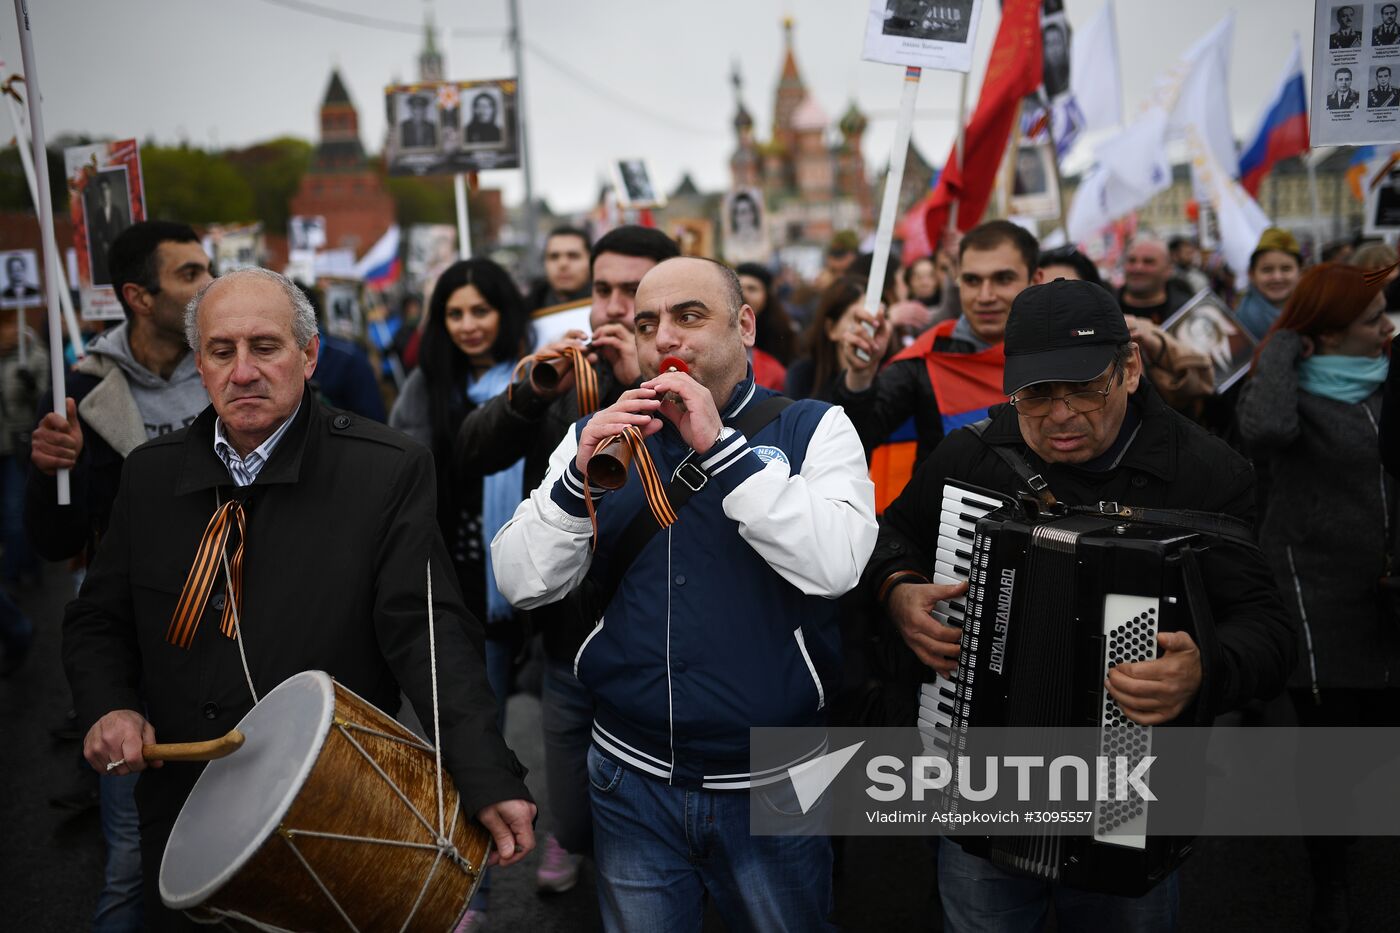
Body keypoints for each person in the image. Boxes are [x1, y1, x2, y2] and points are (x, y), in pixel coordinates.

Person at [62, 267, 535, 932]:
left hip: (331, 807)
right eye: (222, 351)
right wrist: (108, 703)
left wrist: (487, 774)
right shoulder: (150, 474)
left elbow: (427, 635)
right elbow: (98, 620)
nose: (244, 371)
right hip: (184, 809)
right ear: (200, 364)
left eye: (266, 346)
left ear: (309, 356)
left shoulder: (385, 468)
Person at [867, 278, 1295, 932]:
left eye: (1083, 388)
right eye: (1037, 394)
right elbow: (888, 534)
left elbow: (1270, 630)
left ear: (1129, 369)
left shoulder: (1207, 473)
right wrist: (898, 589)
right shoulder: (975, 456)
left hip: (1131, 800)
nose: (1060, 414)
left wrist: (1204, 665)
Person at [492, 256, 877, 931]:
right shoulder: (595, 433)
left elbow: (836, 564)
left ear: (745, 325)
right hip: (629, 774)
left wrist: (722, 449)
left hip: (776, 779)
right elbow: (521, 582)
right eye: (648, 324)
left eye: (689, 316)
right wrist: (573, 483)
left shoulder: (817, 426)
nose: (665, 337)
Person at [452, 225, 680, 896]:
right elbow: (471, 452)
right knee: (576, 815)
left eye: (631, 291)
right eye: (602, 288)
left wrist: (642, 380)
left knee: (657, 828)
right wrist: (530, 391)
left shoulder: (696, 374)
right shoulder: (566, 362)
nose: (610, 306)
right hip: (569, 641)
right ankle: (577, 844)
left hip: (661, 642)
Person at [1235, 262, 1397, 930]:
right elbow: (1265, 432)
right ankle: (1329, 880)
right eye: (1371, 319)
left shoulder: (1392, 382)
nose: (1386, 326)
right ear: (1326, 335)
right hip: (1316, 594)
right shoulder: (1289, 388)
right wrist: (1278, 348)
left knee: (1378, 739)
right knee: (1332, 748)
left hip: (1388, 591)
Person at [389, 258, 532, 930]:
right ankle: (465, 893)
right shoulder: (426, 388)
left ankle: (572, 837)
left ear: (506, 310)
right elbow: (406, 490)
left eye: (482, 309)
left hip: (552, 594)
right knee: (473, 750)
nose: (470, 325)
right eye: (455, 313)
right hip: (468, 595)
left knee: (574, 743)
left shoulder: (546, 373)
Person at [833, 221, 1042, 468]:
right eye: (972, 280)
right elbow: (854, 438)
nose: (985, 296)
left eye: (1003, 279)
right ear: (957, 281)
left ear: (1035, 279)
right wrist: (860, 376)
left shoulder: (1064, 355)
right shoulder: (926, 360)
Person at [1039, 245, 1213, 414]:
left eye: (1149, 261)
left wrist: (1157, 345)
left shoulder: (1124, 331)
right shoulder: (1023, 351)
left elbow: (1201, 381)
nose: (1138, 268)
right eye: (1039, 294)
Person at [0, 310, 46, 674]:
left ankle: (20, 573)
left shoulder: (31, 354)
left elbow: (47, 402)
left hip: (15, 448)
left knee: (16, 517)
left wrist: (32, 387)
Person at [784, 276, 895, 402]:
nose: (872, 328)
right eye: (859, 319)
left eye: (881, 318)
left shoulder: (896, 377)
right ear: (832, 328)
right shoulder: (803, 375)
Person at [735, 261, 797, 389]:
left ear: (767, 296)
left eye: (752, 289)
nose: (744, 295)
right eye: (739, 288)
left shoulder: (783, 333)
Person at [1236, 228, 1303, 341]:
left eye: (1286, 269)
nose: (1277, 278)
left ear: (1300, 272)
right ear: (1252, 274)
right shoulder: (1240, 323)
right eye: (1267, 270)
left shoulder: (1313, 312)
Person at [1117, 236, 1197, 324]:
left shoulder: (1189, 311)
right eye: (1131, 261)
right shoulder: (1103, 308)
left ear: (1168, 269)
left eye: (1148, 261)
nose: (1138, 268)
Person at [526, 226, 592, 313]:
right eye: (554, 257)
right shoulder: (522, 314)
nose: (563, 264)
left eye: (573, 256)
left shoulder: (610, 310)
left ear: (591, 261)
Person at [84, 173, 132, 287]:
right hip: (103, 255)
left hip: (117, 253)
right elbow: (96, 234)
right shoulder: (98, 214)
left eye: (106, 189)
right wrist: (102, 243)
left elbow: (123, 233)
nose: (104, 192)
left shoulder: (117, 211)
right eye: (101, 190)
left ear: (109, 191)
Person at [1042, 21, 1070, 98]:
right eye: (1049, 44)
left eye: (1056, 42)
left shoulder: (1074, 70)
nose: (1054, 49)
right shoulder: (1041, 84)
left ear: (1064, 44)